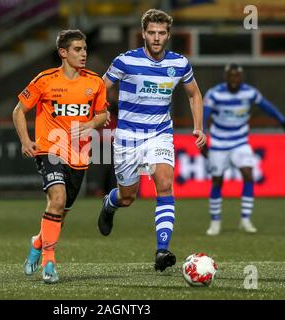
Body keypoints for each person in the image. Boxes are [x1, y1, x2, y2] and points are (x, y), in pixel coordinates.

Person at [97, 9, 206, 272]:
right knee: (127, 197)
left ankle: (162, 250)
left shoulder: (179, 63)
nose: (156, 38)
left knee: (165, 184)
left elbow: (194, 95)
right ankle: (110, 205)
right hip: (127, 138)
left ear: (168, 35)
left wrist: (198, 127)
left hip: (159, 134)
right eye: (152, 33)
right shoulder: (124, 61)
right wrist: (98, 113)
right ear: (143, 33)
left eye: (161, 33)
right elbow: (101, 88)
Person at [12, 29, 108, 284]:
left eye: (85, 49)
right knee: (57, 199)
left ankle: (38, 241)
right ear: (63, 53)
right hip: (50, 151)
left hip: (79, 156)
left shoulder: (95, 82)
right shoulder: (44, 80)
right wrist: (25, 140)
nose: (84, 53)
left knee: (60, 214)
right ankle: (49, 262)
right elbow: (18, 111)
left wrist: (90, 125)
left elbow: (103, 115)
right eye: (78, 49)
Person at [202, 63, 285, 236]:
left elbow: (267, 107)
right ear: (225, 77)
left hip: (240, 142)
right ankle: (215, 221)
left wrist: (283, 121)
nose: (234, 79)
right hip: (219, 143)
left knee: (248, 174)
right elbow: (204, 115)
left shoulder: (250, 92)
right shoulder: (214, 94)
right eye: (231, 76)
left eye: (237, 76)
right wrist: (202, 137)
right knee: (217, 180)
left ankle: (245, 219)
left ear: (241, 77)